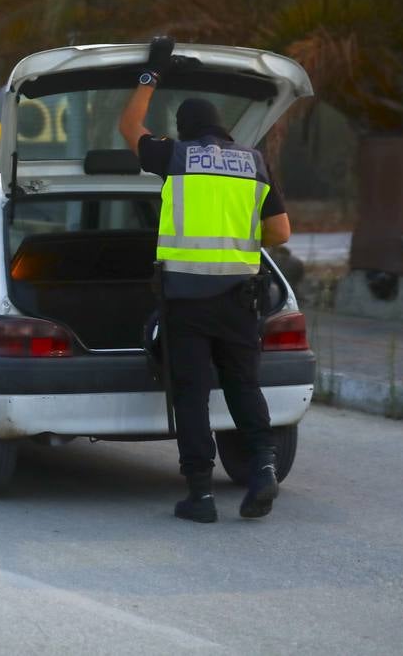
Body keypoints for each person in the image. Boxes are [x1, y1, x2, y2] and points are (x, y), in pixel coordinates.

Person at [119, 38, 292, 523]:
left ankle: (201, 493)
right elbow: (279, 231)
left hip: (186, 300)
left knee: (192, 393)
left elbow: (128, 127)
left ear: (185, 129)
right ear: (222, 126)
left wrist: (152, 73)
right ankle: (262, 467)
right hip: (240, 299)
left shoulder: (175, 156)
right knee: (243, 385)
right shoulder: (253, 164)